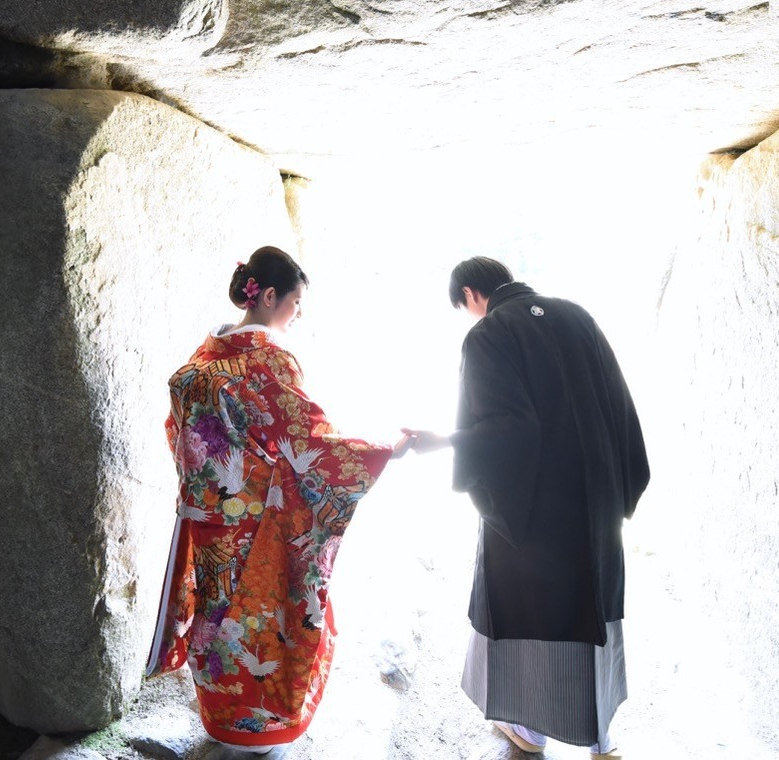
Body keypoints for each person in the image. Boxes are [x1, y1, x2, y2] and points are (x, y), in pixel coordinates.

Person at [146, 246, 412, 758]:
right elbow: (308, 440)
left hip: (207, 515)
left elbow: (180, 432)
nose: (297, 315)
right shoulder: (269, 357)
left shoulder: (206, 352)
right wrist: (383, 452)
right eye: (295, 303)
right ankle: (258, 733)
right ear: (268, 296)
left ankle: (220, 721)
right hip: (255, 522)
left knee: (216, 609)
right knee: (261, 620)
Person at [405, 256, 649, 757]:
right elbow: (619, 403)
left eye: (465, 309)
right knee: (590, 608)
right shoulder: (577, 315)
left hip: (533, 508)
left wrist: (446, 441)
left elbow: (506, 430)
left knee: (528, 611)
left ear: (471, 294)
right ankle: (601, 737)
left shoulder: (488, 333)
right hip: (595, 499)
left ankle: (531, 732)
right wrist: (620, 485)